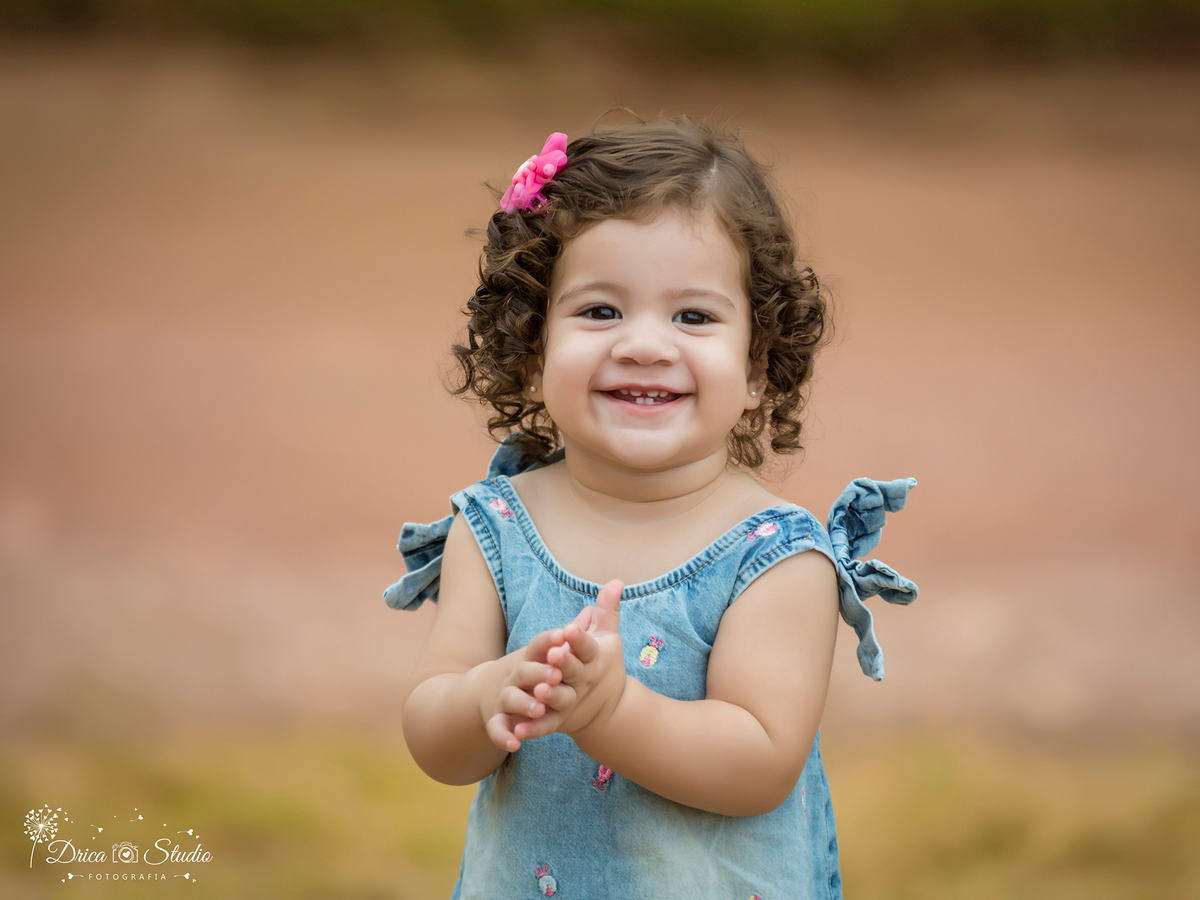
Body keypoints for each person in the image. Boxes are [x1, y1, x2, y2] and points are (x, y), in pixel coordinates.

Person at [385, 119, 918, 900]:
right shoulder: (495, 527)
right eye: (600, 311)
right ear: (532, 346)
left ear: (759, 362)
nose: (643, 345)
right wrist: (486, 695)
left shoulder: (774, 556)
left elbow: (760, 763)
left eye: (693, 317)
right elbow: (435, 739)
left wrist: (610, 711)